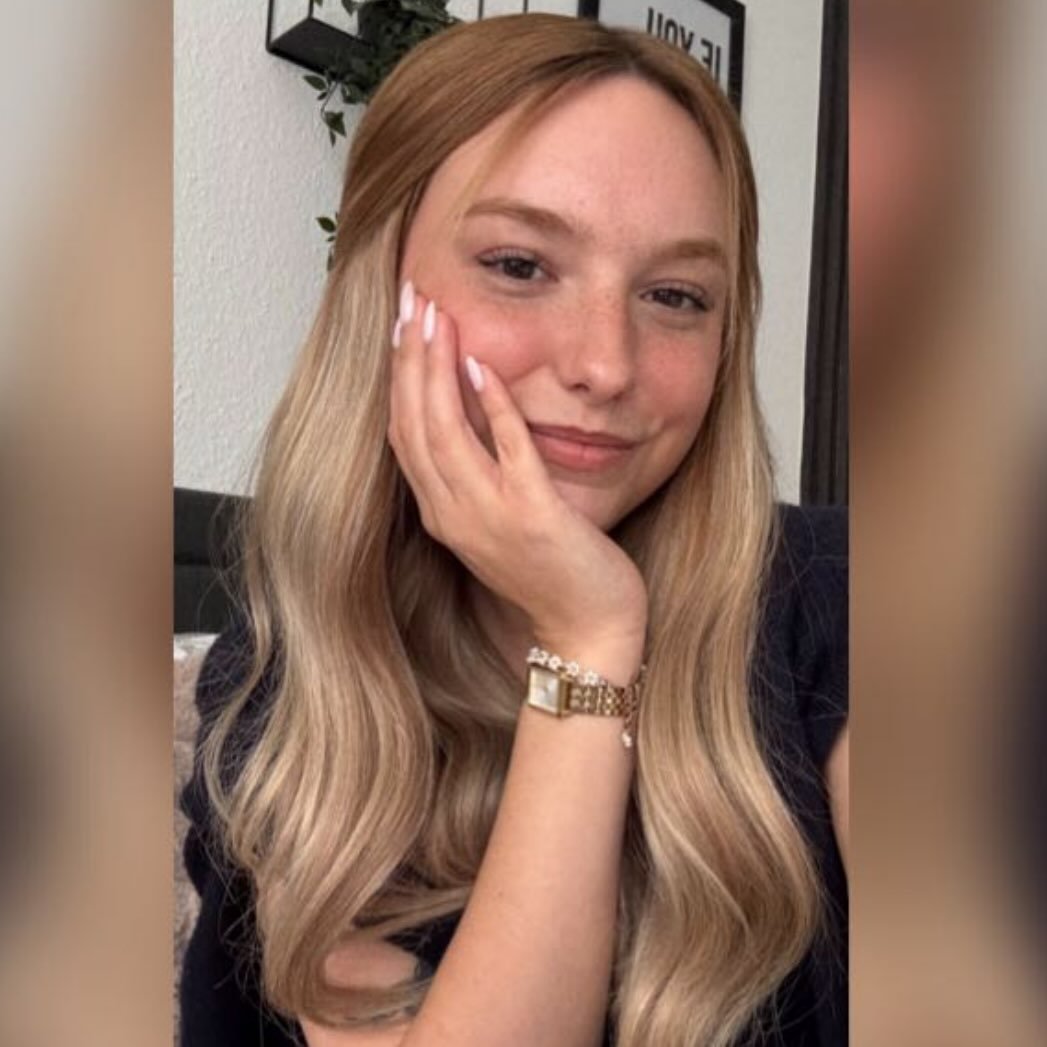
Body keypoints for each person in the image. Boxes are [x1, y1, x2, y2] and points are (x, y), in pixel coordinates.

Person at [179, 13, 848, 1047]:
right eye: (521, 265)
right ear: (380, 287)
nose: (605, 364)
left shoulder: (848, 606)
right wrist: (589, 639)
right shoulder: (290, 688)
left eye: (676, 295)